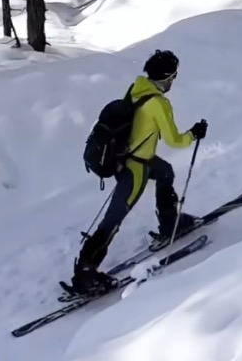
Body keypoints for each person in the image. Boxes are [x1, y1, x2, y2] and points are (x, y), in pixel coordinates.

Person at [70, 49, 208, 295]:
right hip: (135, 168)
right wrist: (194, 134)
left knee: (165, 172)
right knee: (113, 219)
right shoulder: (159, 102)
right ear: (166, 77)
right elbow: (175, 141)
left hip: (127, 157)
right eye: (173, 77)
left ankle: (169, 223)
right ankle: (85, 276)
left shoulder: (137, 88)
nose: (173, 82)